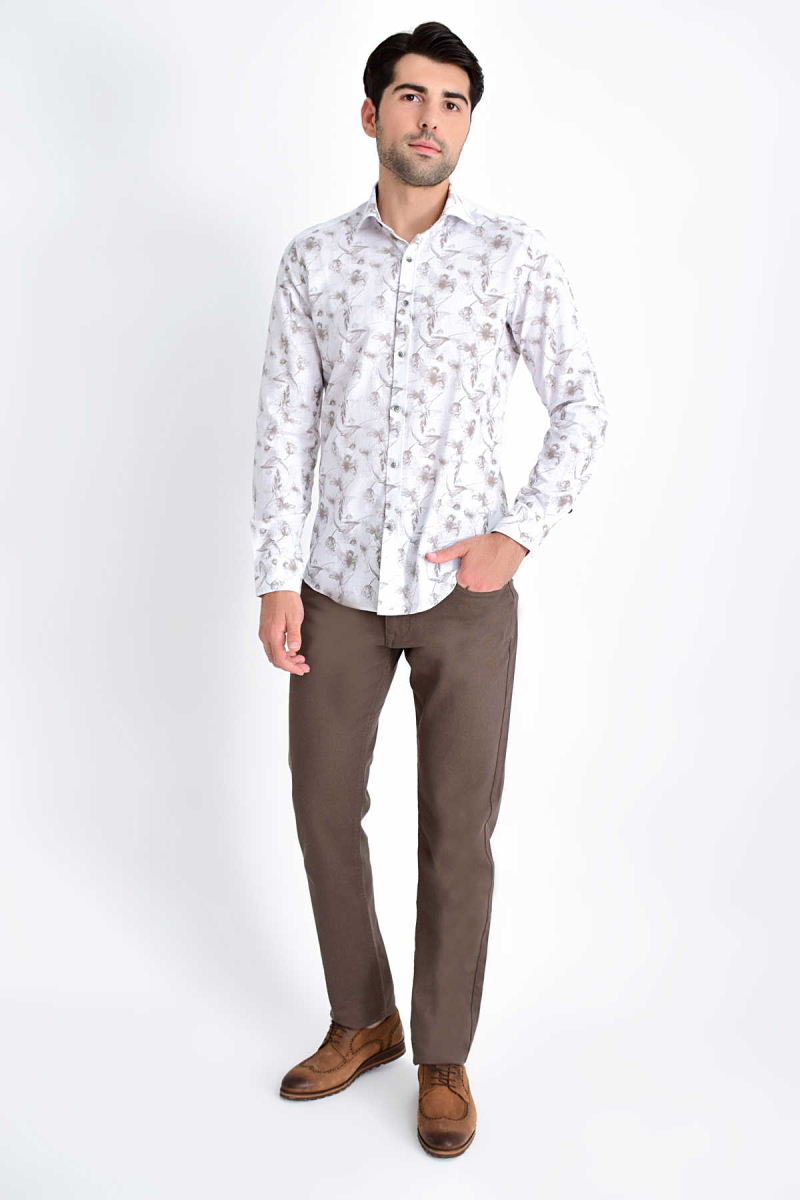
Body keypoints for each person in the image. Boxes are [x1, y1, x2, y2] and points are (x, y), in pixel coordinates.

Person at [251, 21, 609, 1158]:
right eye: (412, 97)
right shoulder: (313, 261)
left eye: (452, 102)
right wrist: (275, 576)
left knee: (459, 829)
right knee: (322, 807)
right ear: (372, 115)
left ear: (466, 125)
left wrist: (518, 534)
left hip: (465, 593)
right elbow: (283, 428)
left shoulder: (511, 254)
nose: (431, 118)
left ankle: (442, 1055)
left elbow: (582, 403)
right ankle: (363, 1017)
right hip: (336, 587)